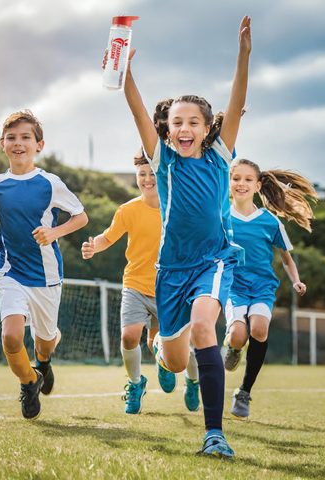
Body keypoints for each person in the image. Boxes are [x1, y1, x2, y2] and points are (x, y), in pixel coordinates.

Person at [103, 15, 252, 458]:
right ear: (167, 130)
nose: (183, 128)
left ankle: (214, 433)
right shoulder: (162, 161)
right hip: (169, 270)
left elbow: (237, 98)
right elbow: (135, 109)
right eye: (176, 122)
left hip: (213, 260)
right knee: (173, 357)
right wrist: (125, 71)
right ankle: (165, 359)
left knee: (206, 327)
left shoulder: (221, 155)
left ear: (208, 129)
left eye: (193, 122)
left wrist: (243, 55)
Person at [0, 110, 88, 420]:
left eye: (25, 137)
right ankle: (29, 382)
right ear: (2, 144)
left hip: (46, 277)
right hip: (10, 273)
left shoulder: (50, 183)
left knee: (45, 343)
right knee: (11, 336)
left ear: (39, 145)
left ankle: (43, 362)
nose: (18, 143)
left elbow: (81, 217)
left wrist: (54, 232)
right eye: (11, 138)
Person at [81, 149, 200, 414]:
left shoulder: (178, 208)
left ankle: (193, 382)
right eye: (141, 174)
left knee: (175, 347)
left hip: (172, 290)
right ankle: (135, 384)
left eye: (153, 173)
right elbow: (108, 237)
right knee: (129, 335)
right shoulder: (128, 210)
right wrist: (93, 247)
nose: (147, 179)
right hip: (135, 283)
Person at [224, 159, 317, 420]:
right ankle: (232, 345)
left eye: (248, 180)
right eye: (236, 178)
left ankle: (243, 392)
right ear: (229, 183)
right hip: (233, 287)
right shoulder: (221, 216)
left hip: (263, 287)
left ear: (258, 185)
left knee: (259, 329)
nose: (241, 184)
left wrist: (296, 281)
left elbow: (286, 259)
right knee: (239, 336)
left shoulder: (271, 222)